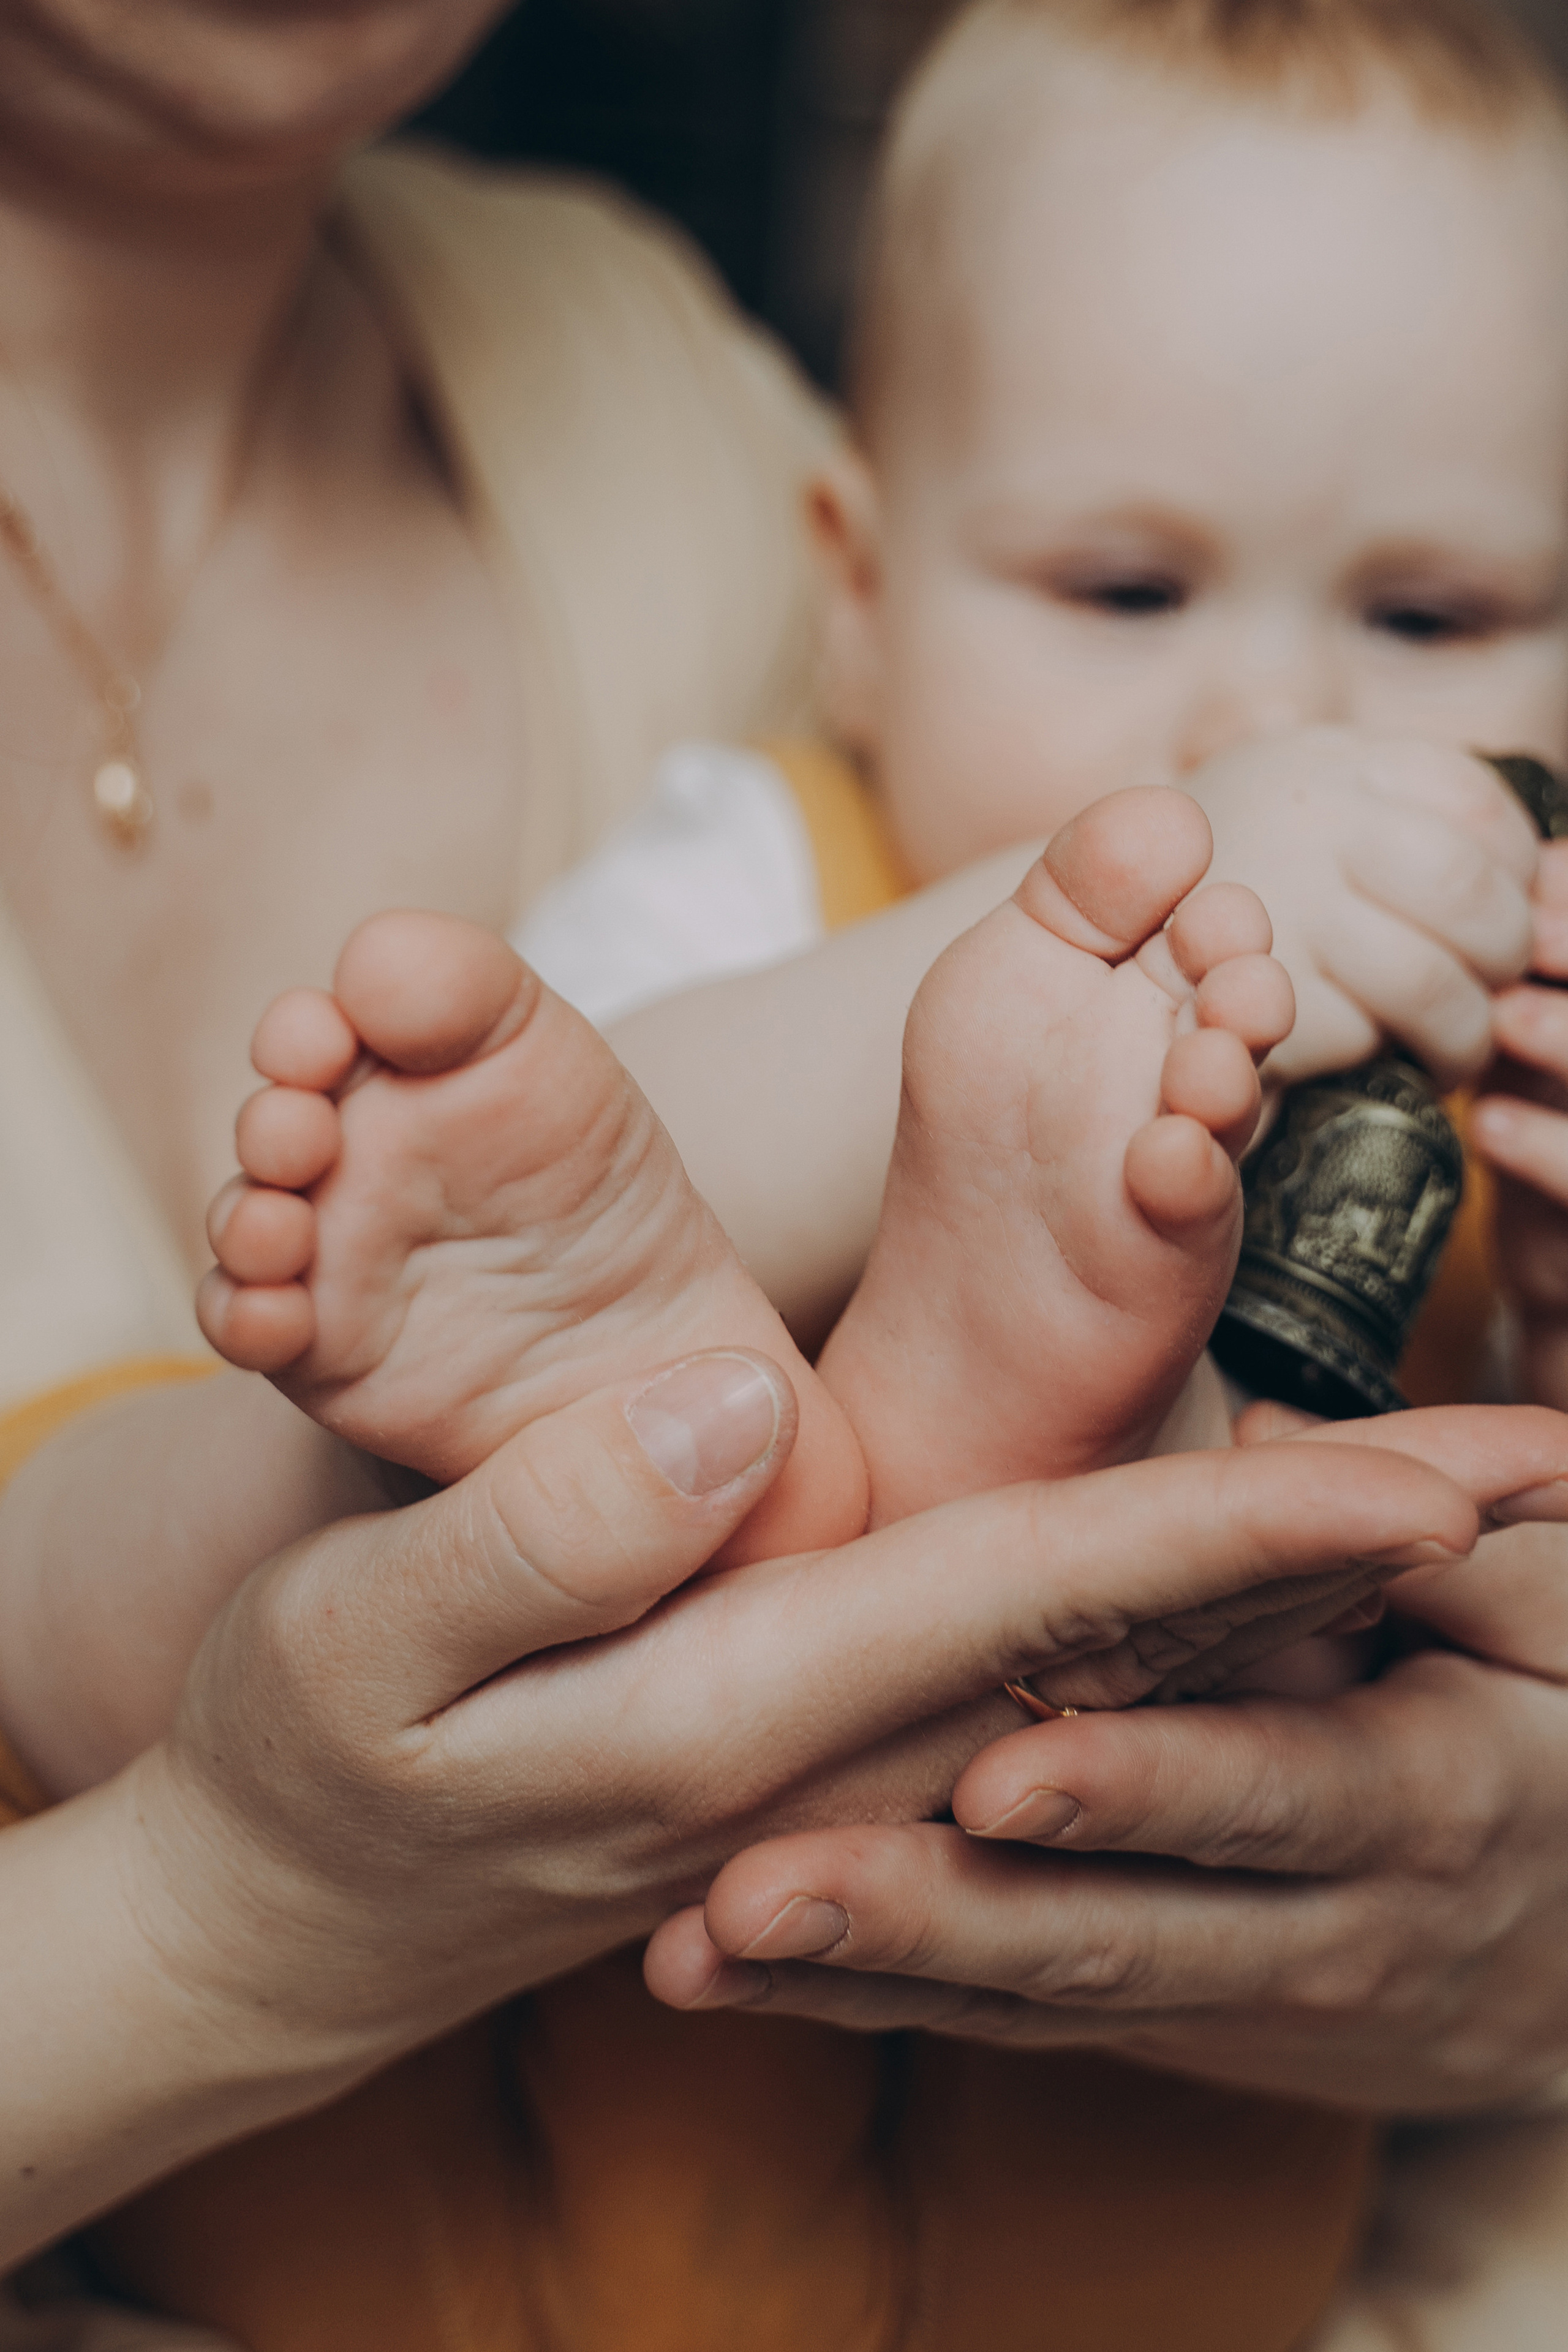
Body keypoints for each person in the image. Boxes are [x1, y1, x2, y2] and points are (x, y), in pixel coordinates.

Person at [0, 0, 1565, 2347]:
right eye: (1128, 595)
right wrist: (999, 963)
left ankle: (1006, 1425)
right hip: (451, 2031)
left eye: (1429, 625)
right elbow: (558, 1110)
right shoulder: (774, 832)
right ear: (850, 581)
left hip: (1109, 1996)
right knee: (195, 1517)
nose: (1269, 722)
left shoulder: (639, 372)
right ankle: (875, 1396)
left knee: (1184, 2109)